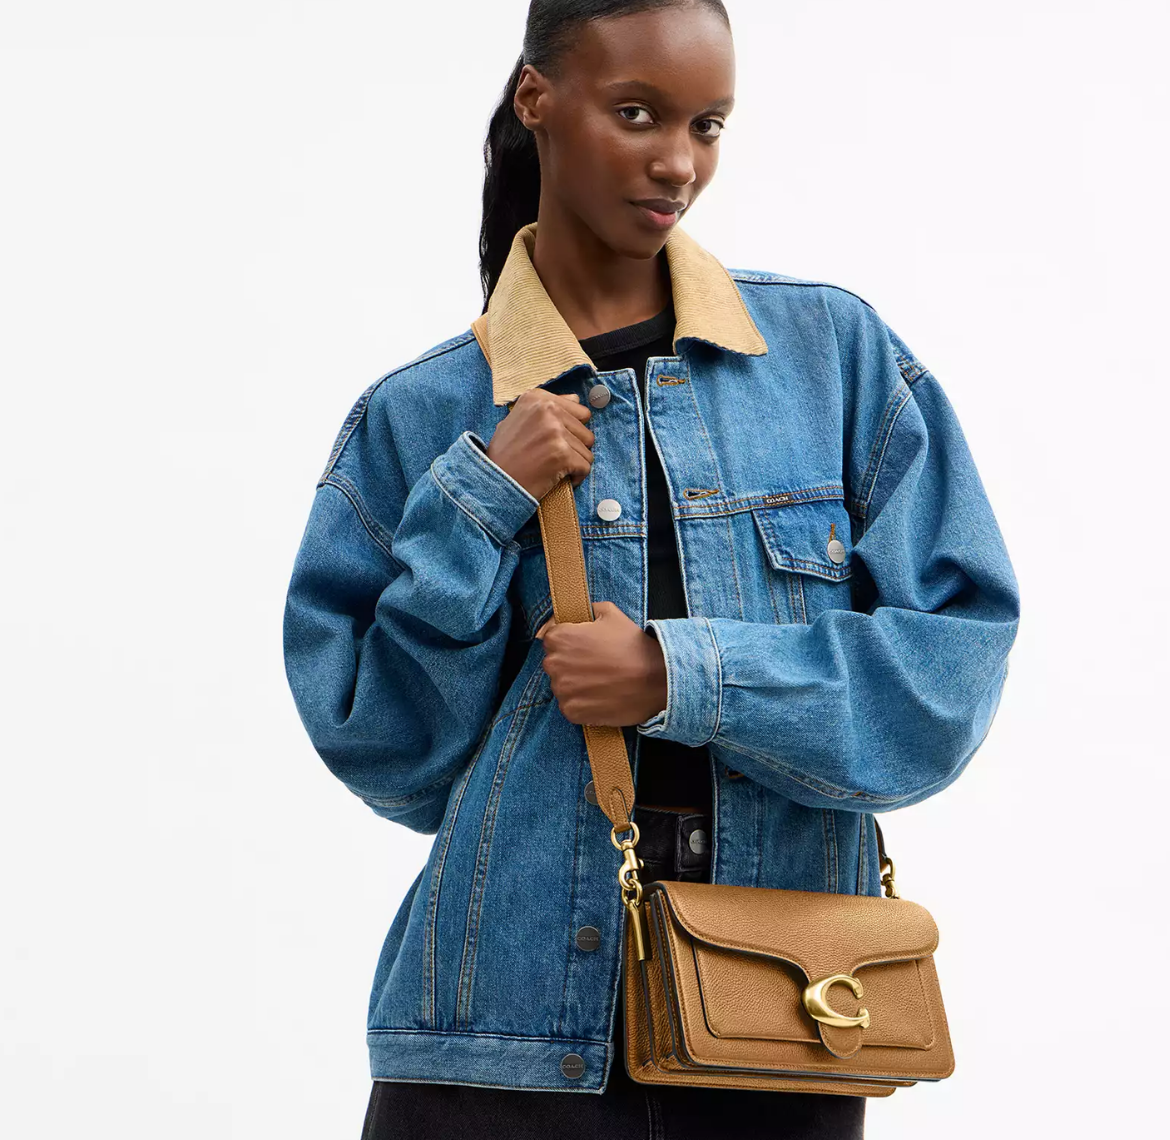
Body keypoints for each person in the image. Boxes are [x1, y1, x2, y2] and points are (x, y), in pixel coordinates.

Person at [280, 1, 1021, 1136]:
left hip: (784, 1017)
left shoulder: (833, 361)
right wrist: (481, 501)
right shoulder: (424, 413)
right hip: (501, 1041)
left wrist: (678, 675)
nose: (678, 161)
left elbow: (944, 685)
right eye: (637, 114)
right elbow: (393, 761)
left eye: (707, 124)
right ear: (536, 99)